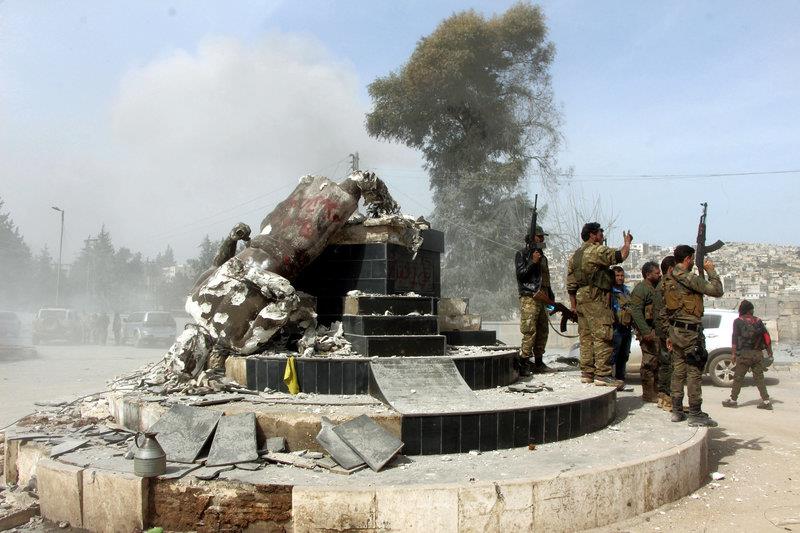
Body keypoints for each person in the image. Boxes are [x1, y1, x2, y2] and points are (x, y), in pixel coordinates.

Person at [664, 245, 724, 427]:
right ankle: (695, 413)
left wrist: (668, 333)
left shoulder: (668, 277)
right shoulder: (688, 277)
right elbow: (717, 291)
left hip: (675, 330)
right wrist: (711, 271)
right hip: (690, 331)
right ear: (688, 259)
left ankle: (676, 410)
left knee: (678, 370)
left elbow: (665, 308)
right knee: (694, 371)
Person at [567, 223, 632, 388]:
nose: (602, 235)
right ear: (592, 235)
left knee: (586, 337)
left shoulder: (575, 256)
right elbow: (620, 256)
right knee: (603, 335)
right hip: (597, 298)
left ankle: (587, 372)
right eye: (600, 232)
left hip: (582, 299)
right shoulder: (596, 251)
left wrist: (574, 306)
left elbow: (571, 285)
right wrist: (627, 243)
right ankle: (603, 374)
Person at [514, 225, 555, 375]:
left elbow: (546, 279)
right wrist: (533, 262)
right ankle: (523, 362)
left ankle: (538, 362)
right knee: (530, 330)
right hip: (529, 296)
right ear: (532, 238)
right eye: (540, 236)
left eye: (543, 237)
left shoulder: (543, 257)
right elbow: (521, 275)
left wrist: (551, 298)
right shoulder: (522, 254)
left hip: (543, 297)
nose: (542, 239)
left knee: (543, 329)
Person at [722, 300, 773, 410]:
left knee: (738, 378)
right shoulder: (758, 321)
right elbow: (766, 337)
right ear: (751, 310)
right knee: (759, 378)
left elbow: (734, 338)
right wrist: (769, 351)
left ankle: (733, 400)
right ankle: (766, 401)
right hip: (757, 354)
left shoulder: (737, 321)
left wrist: (733, 354)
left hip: (744, 355)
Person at [629, 261, 661, 402]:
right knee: (649, 363)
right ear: (648, 275)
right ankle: (648, 393)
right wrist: (645, 331)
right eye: (656, 272)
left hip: (657, 330)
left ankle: (657, 391)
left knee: (658, 362)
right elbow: (636, 312)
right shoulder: (641, 290)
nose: (659, 274)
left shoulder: (657, 287)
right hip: (648, 331)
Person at [654, 256, 676, 411]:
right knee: (669, 366)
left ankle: (663, 397)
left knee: (665, 365)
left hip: (663, 330)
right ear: (670, 269)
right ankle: (667, 398)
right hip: (667, 331)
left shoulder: (660, 285)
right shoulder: (667, 286)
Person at [610, 266, 633, 384]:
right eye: (617, 276)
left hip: (626, 327)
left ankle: (620, 378)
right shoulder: (610, 292)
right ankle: (610, 378)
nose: (620, 278)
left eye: (622, 276)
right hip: (616, 328)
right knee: (614, 354)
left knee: (624, 355)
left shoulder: (626, 290)